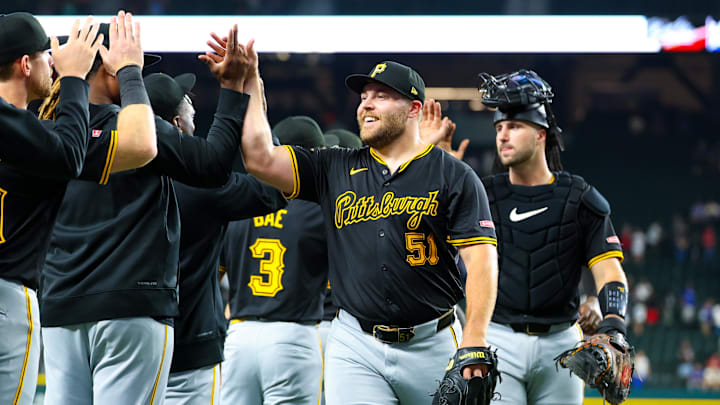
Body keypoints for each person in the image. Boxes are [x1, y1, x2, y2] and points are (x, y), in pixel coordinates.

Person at [236, 44, 499, 403]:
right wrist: (251, 81)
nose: (366, 104)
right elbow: (258, 157)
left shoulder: (454, 175)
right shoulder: (334, 166)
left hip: (432, 340)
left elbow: (481, 260)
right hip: (356, 343)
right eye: (364, 97)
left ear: (414, 109)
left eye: (381, 96)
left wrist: (475, 336)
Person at [39, 22, 254, 404]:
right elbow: (212, 164)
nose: (138, 70)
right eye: (133, 65)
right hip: (130, 306)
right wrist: (234, 88)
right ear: (110, 66)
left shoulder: (49, 129)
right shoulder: (134, 128)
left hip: (60, 308)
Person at [0, 12, 157, 404]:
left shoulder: (39, 136)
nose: (50, 61)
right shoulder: (40, 141)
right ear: (25, 64)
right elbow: (142, 144)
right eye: (43, 55)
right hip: (7, 295)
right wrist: (127, 72)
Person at [476, 69, 629, 405]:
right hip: (498, 338)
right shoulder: (481, 197)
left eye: (514, 126)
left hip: (562, 344)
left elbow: (609, 271)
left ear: (541, 133)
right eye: (499, 127)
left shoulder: (579, 197)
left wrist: (613, 324)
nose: (503, 135)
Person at [141, 71, 287, 404]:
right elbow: (274, 189)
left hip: (128, 343)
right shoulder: (203, 186)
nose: (193, 103)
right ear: (176, 123)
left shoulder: (110, 170)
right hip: (190, 348)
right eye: (187, 101)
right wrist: (255, 105)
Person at [219, 116, 329, 405]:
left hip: (238, 334)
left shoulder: (238, 202)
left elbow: (213, 275)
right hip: (292, 334)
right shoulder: (318, 208)